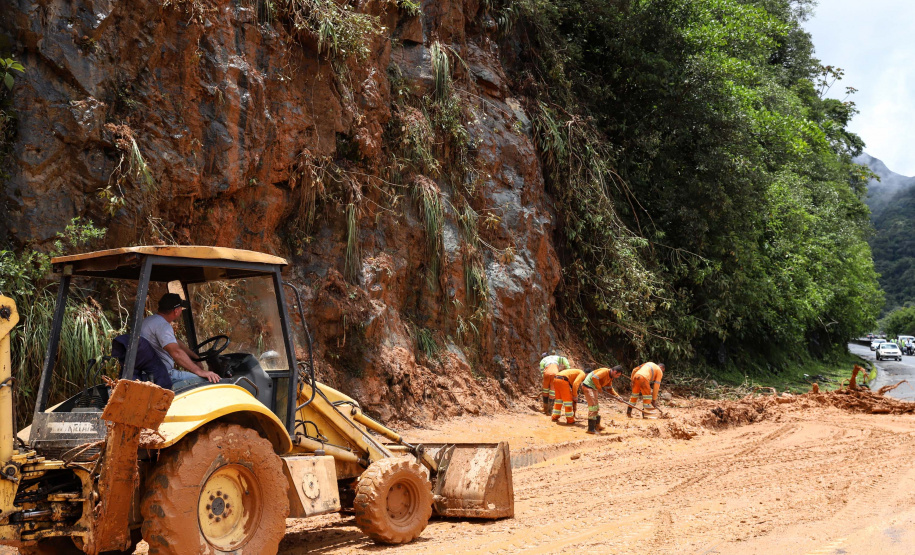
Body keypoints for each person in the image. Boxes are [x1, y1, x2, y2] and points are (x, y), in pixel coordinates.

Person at [141, 293, 220, 387]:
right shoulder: (163, 326)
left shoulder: (150, 321)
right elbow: (176, 353)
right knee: (207, 382)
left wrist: (195, 357)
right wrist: (200, 371)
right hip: (162, 375)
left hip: (149, 372)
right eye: (181, 309)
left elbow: (175, 342)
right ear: (176, 311)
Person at [581, 365, 623, 433]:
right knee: (593, 407)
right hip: (588, 387)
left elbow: (609, 389)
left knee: (596, 407)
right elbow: (594, 377)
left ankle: (597, 426)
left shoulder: (610, 377)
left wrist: (618, 397)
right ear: (615, 372)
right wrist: (599, 387)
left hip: (593, 388)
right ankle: (590, 429)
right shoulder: (605, 371)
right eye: (618, 375)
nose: (617, 377)